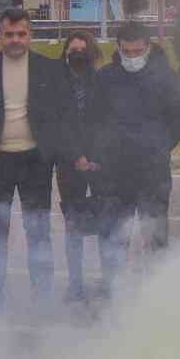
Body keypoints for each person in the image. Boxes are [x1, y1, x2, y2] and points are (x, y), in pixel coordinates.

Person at [0, 7, 69, 308]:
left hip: (35, 162)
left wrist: (52, 151)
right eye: (9, 34)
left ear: (30, 35)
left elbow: (61, 114)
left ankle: (42, 297)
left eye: (21, 34)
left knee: (38, 231)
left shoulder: (50, 69)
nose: (15, 39)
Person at [89, 21, 180, 278]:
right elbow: (92, 119)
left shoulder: (166, 77)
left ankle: (156, 296)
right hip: (113, 177)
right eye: (126, 52)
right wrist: (103, 154)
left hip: (152, 175)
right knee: (113, 239)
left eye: (137, 52)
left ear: (147, 48)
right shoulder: (105, 78)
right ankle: (114, 295)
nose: (132, 57)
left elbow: (178, 118)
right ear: (118, 48)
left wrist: (160, 146)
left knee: (155, 239)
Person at [55, 30, 103, 302]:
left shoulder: (102, 81)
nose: (77, 55)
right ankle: (75, 284)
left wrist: (97, 157)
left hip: (99, 164)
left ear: (92, 52)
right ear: (65, 54)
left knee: (104, 222)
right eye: (72, 51)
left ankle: (106, 279)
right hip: (69, 164)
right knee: (74, 226)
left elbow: (108, 121)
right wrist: (75, 155)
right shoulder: (57, 84)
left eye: (82, 50)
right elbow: (55, 124)